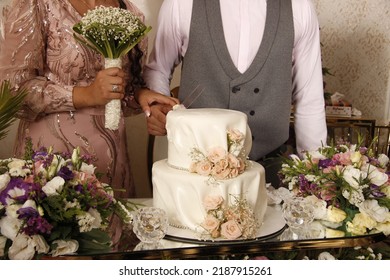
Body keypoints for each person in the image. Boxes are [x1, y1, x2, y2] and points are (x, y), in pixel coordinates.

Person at [0, 0, 177, 198]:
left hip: (113, 165)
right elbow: (12, 90)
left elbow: (121, 92)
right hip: (52, 164)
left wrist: (140, 95)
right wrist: (85, 94)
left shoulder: (129, 12)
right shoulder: (37, 3)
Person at [140, 0, 328, 187]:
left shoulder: (299, 7)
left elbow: (309, 97)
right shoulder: (181, 4)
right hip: (196, 173)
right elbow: (158, 70)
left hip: (270, 172)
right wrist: (160, 107)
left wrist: (316, 174)